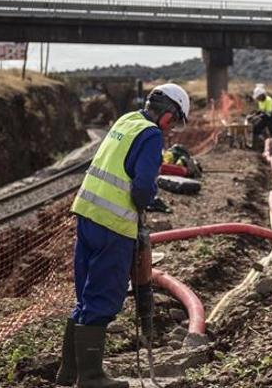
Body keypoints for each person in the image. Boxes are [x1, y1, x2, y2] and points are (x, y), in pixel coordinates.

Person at [55, 83, 189, 388]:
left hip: (87, 215)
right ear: (168, 116)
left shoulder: (126, 120)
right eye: (175, 122)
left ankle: (69, 371)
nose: (172, 129)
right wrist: (147, 200)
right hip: (113, 226)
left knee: (86, 295)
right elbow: (142, 186)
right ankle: (90, 377)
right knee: (103, 295)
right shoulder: (152, 135)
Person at [251, 84, 272, 154]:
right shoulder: (260, 101)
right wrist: (254, 115)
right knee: (256, 128)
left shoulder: (268, 100)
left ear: (261, 95)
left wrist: (258, 116)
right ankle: (255, 146)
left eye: (258, 97)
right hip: (265, 118)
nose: (257, 99)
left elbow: (268, 113)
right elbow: (261, 110)